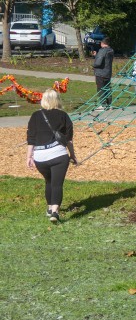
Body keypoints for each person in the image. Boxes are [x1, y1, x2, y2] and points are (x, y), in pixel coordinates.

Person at [27, 89, 77, 222]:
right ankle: (55, 212)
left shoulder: (35, 116)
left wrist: (29, 157)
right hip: (58, 155)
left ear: (43, 100)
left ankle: (49, 208)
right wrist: (72, 155)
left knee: (49, 181)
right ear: (58, 100)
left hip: (40, 156)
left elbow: (31, 138)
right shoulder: (63, 115)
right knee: (57, 184)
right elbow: (68, 140)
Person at [92, 39, 114, 109]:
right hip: (108, 72)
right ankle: (109, 104)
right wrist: (96, 55)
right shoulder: (110, 50)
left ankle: (103, 105)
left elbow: (98, 63)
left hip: (100, 73)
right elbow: (105, 59)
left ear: (102, 43)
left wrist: (93, 65)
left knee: (100, 89)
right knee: (107, 88)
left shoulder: (102, 51)